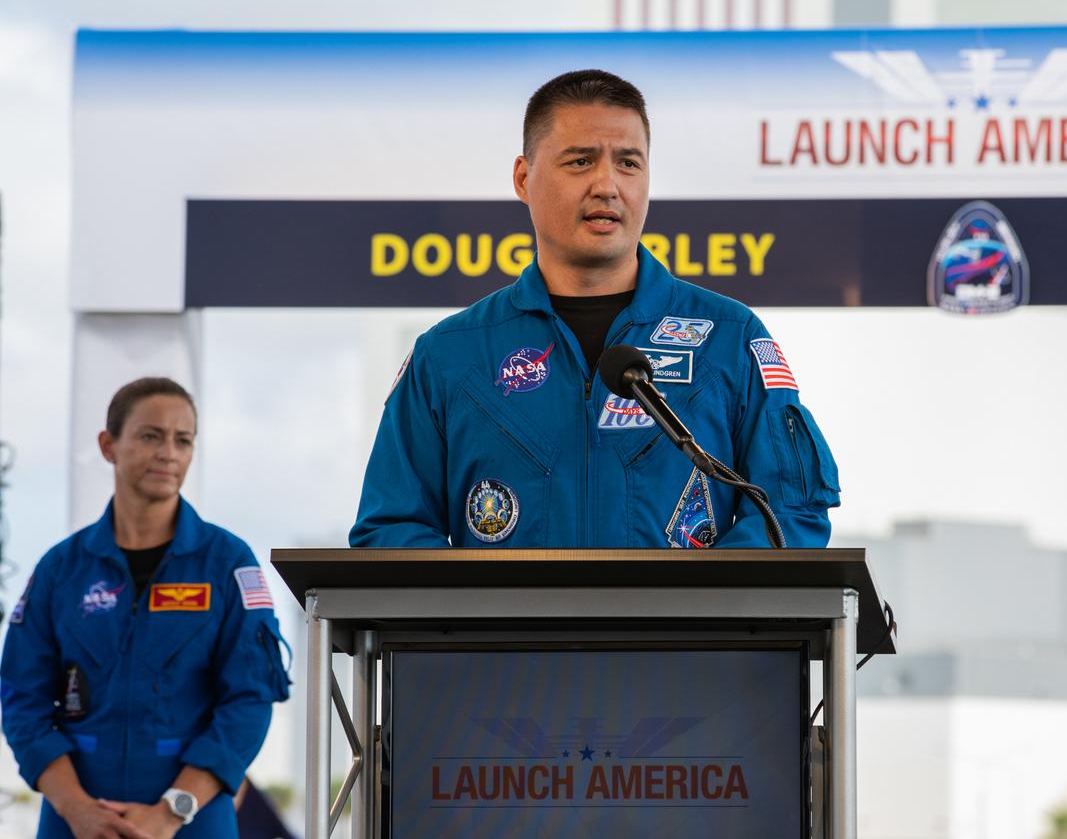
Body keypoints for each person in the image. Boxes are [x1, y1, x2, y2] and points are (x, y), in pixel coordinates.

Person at [350, 69, 839, 549]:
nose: (607, 185)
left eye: (628, 163)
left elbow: (789, 514)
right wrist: (488, 621)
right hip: (505, 634)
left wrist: (695, 614)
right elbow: (392, 530)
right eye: (581, 161)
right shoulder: (447, 355)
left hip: (683, 632)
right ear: (523, 178)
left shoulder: (728, 337)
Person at [1, 378, 290, 838]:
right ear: (108, 444)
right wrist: (76, 809)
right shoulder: (61, 570)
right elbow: (21, 698)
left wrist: (169, 813)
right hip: (77, 818)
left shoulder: (228, 564)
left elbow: (249, 699)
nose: (168, 453)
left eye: (183, 440)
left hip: (192, 818)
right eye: (151, 436)